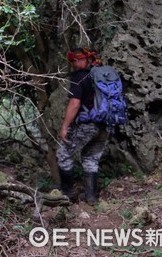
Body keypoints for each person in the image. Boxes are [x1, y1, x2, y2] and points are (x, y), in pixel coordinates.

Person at [56, 48, 108, 205]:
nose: (73, 64)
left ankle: (67, 194)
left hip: (87, 125)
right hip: (106, 125)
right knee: (91, 157)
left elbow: (75, 103)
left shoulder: (79, 77)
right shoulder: (101, 75)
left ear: (79, 60)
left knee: (63, 153)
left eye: (73, 61)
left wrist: (65, 127)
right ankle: (91, 197)